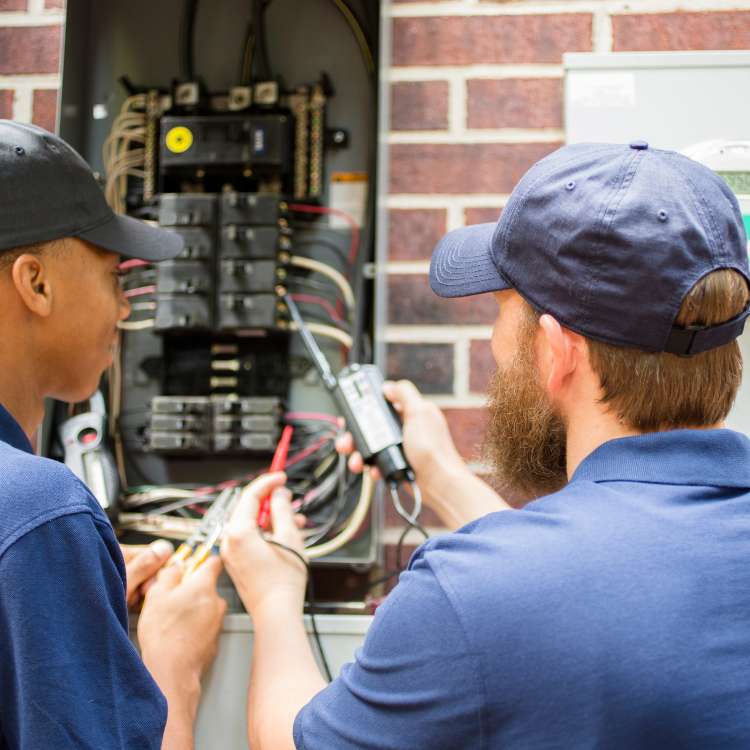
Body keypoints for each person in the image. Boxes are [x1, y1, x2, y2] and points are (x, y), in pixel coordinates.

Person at [220, 140, 750, 748]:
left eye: (501, 311)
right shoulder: (509, 588)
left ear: (556, 352)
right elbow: (600, 580)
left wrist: (274, 595)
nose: (495, 345)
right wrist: (441, 476)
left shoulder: (467, 597)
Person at [0, 121, 226, 750]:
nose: (125, 309)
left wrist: (70, 593)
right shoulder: (37, 510)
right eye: (113, 277)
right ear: (35, 283)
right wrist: (171, 667)